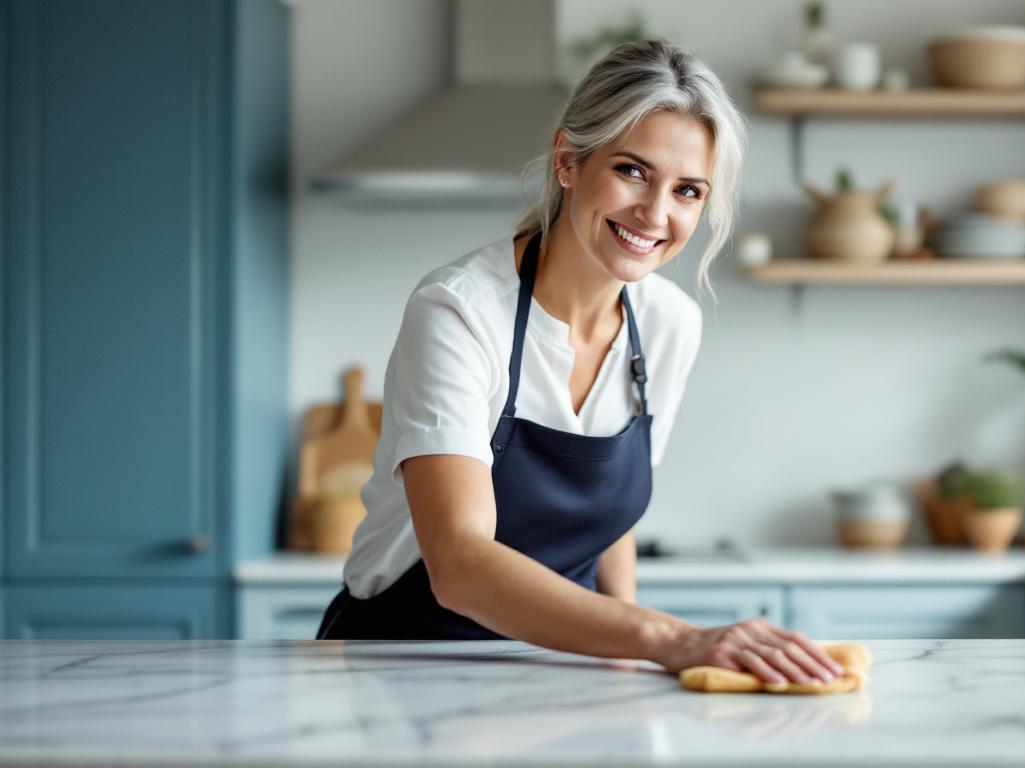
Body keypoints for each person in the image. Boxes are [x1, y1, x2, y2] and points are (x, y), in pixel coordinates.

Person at [316, 39, 844, 686]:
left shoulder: (670, 325)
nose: (656, 214)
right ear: (568, 160)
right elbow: (457, 564)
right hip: (406, 669)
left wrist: (625, 653)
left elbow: (608, 523)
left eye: (688, 191)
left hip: (561, 670)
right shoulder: (458, 313)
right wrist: (669, 638)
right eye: (631, 171)